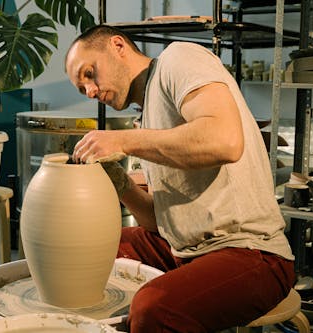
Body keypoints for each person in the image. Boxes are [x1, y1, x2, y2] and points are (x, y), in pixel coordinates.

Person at [65, 25, 295, 333]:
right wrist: (117, 180)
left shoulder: (177, 59)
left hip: (251, 253)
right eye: (82, 90)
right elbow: (156, 221)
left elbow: (225, 141)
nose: (91, 91)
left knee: (151, 308)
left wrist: (122, 142)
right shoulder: (145, 117)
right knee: (94, 245)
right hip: (186, 249)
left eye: (90, 74)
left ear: (117, 45)